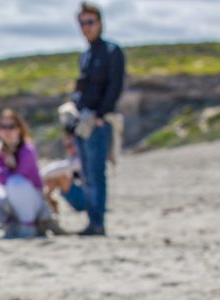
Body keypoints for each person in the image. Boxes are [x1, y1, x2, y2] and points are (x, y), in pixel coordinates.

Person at [72, 1, 125, 237]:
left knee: (96, 172)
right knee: (86, 173)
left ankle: (98, 222)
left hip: (99, 121)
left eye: (90, 22)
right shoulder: (86, 55)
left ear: (100, 23)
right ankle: (92, 220)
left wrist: (102, 115)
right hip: (82, 121)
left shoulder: (112, 52)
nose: (86, 27)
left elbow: (115, 86)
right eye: (82, 23)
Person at [0, 109, 50, 238]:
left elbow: (8, 180)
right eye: (3, 127)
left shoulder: (26, 150)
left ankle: (28, 225)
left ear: (20, 129)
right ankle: (11, 223)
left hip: (33, 201)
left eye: (11, 127)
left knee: (15, 182)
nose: (7, 131)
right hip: (11, 201)